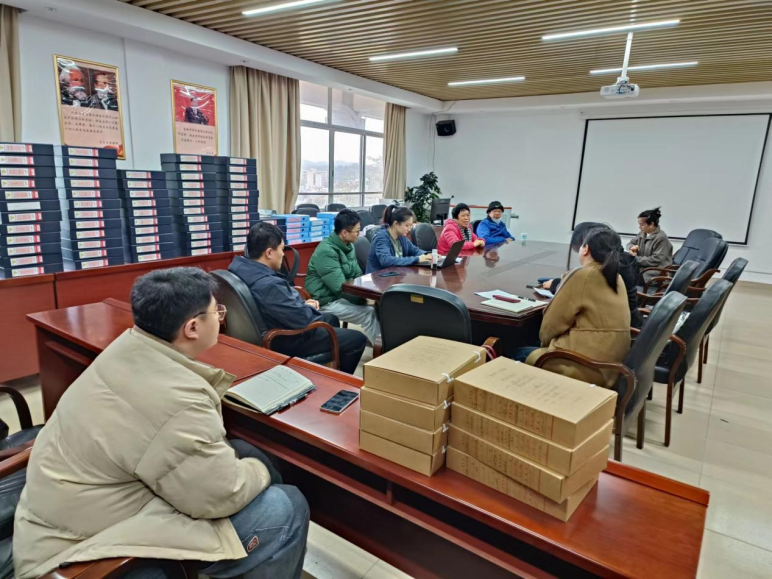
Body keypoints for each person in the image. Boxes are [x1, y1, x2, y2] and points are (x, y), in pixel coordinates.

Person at [13, 267, 309, 579]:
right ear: (192, 328)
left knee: (245, 452)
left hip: (69, 512)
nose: (221, 318)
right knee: (287, 505)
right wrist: (261, 470)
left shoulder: (125, 348)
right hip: (84, 547)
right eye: (217, 311)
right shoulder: (178, 399)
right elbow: (222, 496)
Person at [230, 222, 366, 374]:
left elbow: (281, 303)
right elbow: (302, 319)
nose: (283, 254)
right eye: (281, 249)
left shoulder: (239, 267)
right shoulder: (268, 285)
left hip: (271, 323)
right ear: (269, 253)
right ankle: (340, 381)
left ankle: (327, 370)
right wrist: (307, 307)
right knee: (357, 339)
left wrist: (301, 304)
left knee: (331, 319)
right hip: (285, 339)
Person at [516, 227, 632, 387]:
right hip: (611, 367)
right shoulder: (616, 277)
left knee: (517, 351)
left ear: (585, 249)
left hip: (584, 366)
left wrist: (544, 344)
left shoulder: (583, 275)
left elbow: (550, 326)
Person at [542, 222, 643, 328]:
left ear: (587, 247)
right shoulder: (623, 260)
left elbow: (552, 324)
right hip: (627, 324)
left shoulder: (606, 269)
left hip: (611, 328)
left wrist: (556, 284)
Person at [305, 210, 380, 344]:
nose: (359, 234)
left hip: (341, 296)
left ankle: (383, 343)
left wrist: (369, 294)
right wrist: (363, 300)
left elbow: (357, 275)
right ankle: (384, 351)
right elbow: (339, 288)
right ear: (344, 232)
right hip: (325, 301)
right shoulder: (326, 251)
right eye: (357, 231)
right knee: (369, 313)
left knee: (379, 307)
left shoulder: (348, 245)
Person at [365, 206, 432, 273]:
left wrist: (429, 255)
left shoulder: (401, 236)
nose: (409, 229)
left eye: (410, 226)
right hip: (379, 276)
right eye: (407, 225)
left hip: (395, 275)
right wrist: (417, 259)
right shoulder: (381, 237)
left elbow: (415, 250)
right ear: (396, 224)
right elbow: (386, 260)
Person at [626, 207, 673, 285]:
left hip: (654, 272)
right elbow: (630, 243)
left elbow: (656, 260)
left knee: (627, 278)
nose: (639, 227)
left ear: (651, 224)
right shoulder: (642, 233)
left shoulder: (661, 238)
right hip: (643, 267)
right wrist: (631, 247)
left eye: (641, 225)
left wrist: (635, 258)